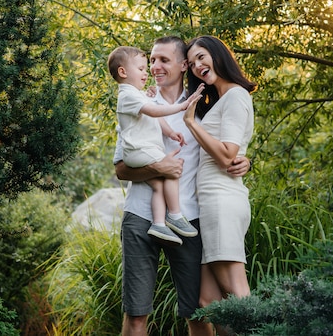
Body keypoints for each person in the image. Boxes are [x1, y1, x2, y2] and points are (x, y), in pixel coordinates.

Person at [113, 36, 250, 336]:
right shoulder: (138, 101)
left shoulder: (202, 105)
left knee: (199, 312)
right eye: (151, 60)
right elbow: (121, 169)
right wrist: (156, 167)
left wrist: (245, 161)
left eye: (163, 60)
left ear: (183, 64)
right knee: (136, 316)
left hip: (190, 220)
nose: (155, 66)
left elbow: (225, 145)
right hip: (140, 217)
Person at [183, 35, 256, 335]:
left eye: (202, 57)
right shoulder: (220, 101)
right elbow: (233, 152)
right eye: (191, 63)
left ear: (217, 54)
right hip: (211, 204)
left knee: (237, 293)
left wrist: (192, 123)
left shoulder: (236, 95)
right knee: (209, 300)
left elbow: (227, 155)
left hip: (222, 201)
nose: (198, 66)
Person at [108, 46, 204, 245]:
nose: (150, 70)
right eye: (147, 64)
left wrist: (170, 133)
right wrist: (182, 107)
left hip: (192, 210)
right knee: (170, 171)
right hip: (138, 202)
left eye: (164, 60)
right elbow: (154, 112)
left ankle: (160, 223)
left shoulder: (142, 96)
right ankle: (174, 215)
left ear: (183, 65)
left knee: (160, 184)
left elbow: (155, 117)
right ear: (123, 72)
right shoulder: (130, 96)